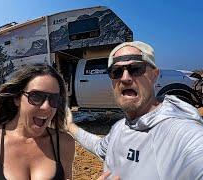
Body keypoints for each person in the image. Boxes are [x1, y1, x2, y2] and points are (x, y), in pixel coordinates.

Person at [67, 41, 203, 179]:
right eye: (116, 71)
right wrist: (70, 126)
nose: (125, 78)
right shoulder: (119, 128)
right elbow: (99, 147)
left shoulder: (182, 134)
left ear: (154, 74)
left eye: (136, 69)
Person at [0, 63, 75, 179]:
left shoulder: (64, 143)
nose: (47, 107)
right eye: (36, 96)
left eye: (54, 99)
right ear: (17, 99)